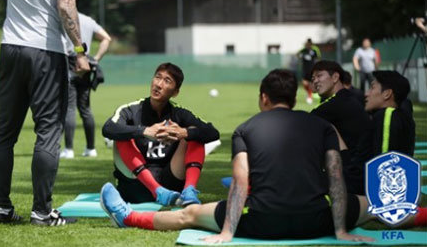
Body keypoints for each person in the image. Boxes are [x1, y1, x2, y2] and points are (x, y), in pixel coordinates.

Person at [100, 69, 377, 242]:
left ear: (263, 98)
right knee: (377, 204)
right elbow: (336, 177)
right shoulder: (322, 126)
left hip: (260, 220)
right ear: (294, 98)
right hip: (317, 219)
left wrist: (227, 232)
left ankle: (129, 218)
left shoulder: (246, 129)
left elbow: (241, 184)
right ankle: (420, 213)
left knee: (190, 215)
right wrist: (340, 230)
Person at [0, 0, 89, 226]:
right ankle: (42, 212)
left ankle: (3, 209)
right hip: (44, 52)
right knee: (48, 132)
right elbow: (65, 4)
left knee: (5, 133)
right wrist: (80, 49)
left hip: (10, 48)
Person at [102, 63, 220, 206]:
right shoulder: (131, 110)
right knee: (122, 135)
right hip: (135, 185)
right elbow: (108, 128)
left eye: (167, 81)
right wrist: (144, 131)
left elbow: (213, 132)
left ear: (175, 92)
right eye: (157, 78)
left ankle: (189, 191)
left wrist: (184, 132)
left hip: (171, 185)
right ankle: (156, 190)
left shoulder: (179, 113)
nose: (159, 84)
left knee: (195, 134)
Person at [310, 61, 373, 195]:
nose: (315, 81)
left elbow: (304, 123)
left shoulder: (338, 103)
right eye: (313, 78)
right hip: (364, 170)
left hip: (352, 175)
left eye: (319, 76)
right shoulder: (349, 97)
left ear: (335, 77)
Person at [60, 13, 112, 159]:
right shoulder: (88, 20)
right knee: (85, 109)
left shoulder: (62, 17)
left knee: (69, 108)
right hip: (86, 63)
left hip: (69, 61)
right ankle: (91, 149)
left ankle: (69, 150)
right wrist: (95, 59)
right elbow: (106, 38)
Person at [364, 70, 415, 157]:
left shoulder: (386, 116)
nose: (366, 94)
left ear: (387, 94)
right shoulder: (400, 115)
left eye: (372, 88)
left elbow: (384, 161)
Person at [297, 38, 321, 104]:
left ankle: (310, 96)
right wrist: (300, 56)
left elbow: (318, 58)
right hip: (304, 69)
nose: (308, 45)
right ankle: (310, 94)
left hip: (312, 69)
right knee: (304, 83)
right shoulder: (303, 50)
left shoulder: (315, 50)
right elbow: (297, 54)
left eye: (310, 44)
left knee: (310, 83)